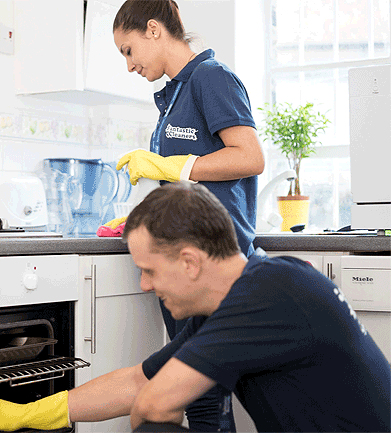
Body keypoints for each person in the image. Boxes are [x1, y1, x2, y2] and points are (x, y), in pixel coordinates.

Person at [0, 183, 391, 433]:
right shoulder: (242, 294)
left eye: (148, 270)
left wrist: (145, 415)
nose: (144, 285)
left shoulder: (269, 293)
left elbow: (155, 403)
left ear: (189, 262)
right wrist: (26, 413)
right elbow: (136, 381)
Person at [107, 1, 265, 429]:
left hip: (211, 262)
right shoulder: (173, 94)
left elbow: (250, 158)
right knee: (191, 395)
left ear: (154, 30)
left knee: (203, 397)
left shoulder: (211, 78)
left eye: (128, 49)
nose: (128, 65)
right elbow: (188, 188)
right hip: (180, 261)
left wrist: (176, 166)